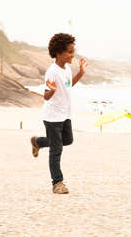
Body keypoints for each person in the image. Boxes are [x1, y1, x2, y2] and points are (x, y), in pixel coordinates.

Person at [30, 33, 88, 194]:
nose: (72, 55)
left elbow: (69, 85)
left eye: (73, 51)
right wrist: (52, 91)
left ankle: (39, 142)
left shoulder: (67, 68)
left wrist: (81, 73)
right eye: (69, 52)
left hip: (65, 114)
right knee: (56, 150)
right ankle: (57, 183)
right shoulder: (52, 72)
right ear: (58, 53)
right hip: (53, 117)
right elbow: (46, 96)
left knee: (67, 141)